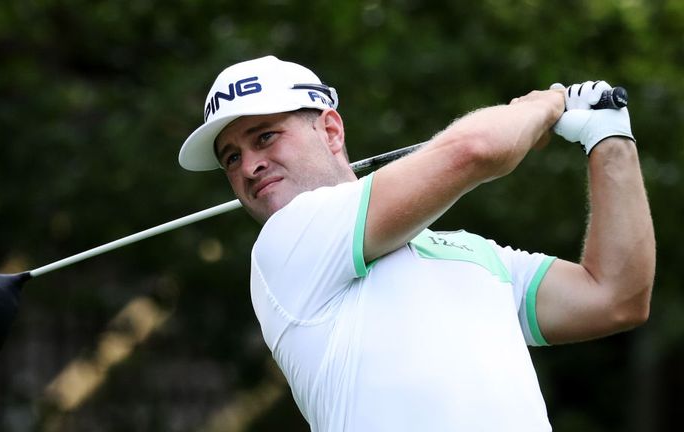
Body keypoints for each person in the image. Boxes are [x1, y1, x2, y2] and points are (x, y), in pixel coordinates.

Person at [178, 56, 655, 431]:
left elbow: (615, 297)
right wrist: (543, 105)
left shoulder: (476, 255)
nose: (248, 167)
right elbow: (475, 151)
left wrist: (608, 134)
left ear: (329, 129)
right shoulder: (286, 244)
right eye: (232, 158)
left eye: (265, 137)